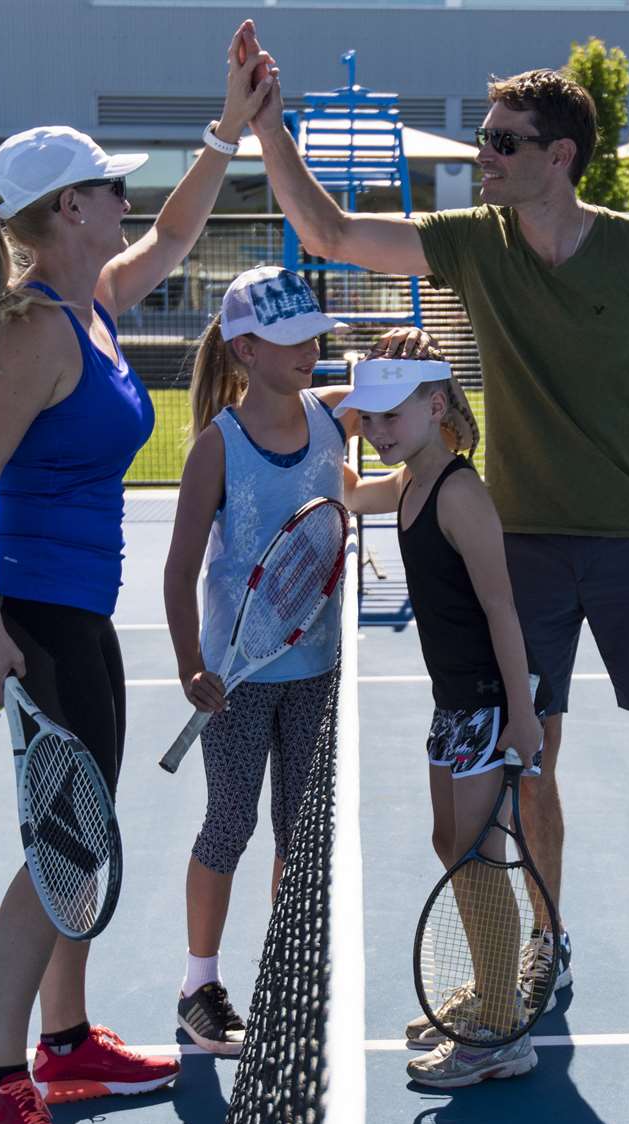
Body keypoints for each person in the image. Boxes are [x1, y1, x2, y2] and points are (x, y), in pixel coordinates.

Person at [241, 37, 629, 1010]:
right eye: (484, 139)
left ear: (559, 156)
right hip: (522, 547)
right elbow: (331, 232)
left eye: (502, 143)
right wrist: (268, 128)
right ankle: (547, 936)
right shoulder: (478, 240)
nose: (484, 155)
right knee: (533, 750)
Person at [0, 24, 276, 1124]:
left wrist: (228, 127)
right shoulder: (32, 330)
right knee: (63, 845)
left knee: (85, 832)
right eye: (106, 188)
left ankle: (68, 1042)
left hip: (80, 613)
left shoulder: (91, 301)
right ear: (66, 210)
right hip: (37, 617)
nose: (122, 201)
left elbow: (178, 231)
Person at [162, 269, 432, 1054]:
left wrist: (427, 450)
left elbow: (361, 477)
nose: (310, 350)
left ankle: (283, 978)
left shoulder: (333, 419)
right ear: (245, 349)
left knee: (297, 833)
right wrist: (190, 666)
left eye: (314, 336)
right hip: (236, 682)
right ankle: (199, 987)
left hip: (317, 670)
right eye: (291, 340)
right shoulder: (217, 447)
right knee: (229, 823)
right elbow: (179, 571)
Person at [339, 350, 550, 1088]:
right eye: (369, 418)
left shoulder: (460, 494)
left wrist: (521, 715)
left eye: (390, 416)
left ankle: (500, 1031)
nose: (377, 431)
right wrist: (330, 413)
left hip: (488, 702)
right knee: (450, 843)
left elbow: (501, 607)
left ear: (435, 409)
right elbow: (348, 492)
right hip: (453, 701)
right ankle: (493, 989)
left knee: (476, 856)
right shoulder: (409, 481)